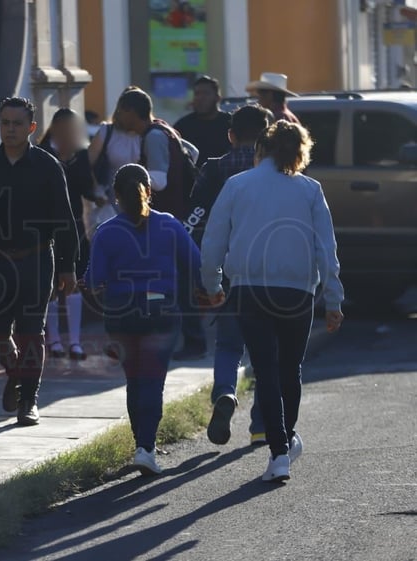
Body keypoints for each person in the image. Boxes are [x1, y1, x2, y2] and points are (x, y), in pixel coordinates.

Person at [200, 121, 345, 482]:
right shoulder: (310, 190)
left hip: (249, 288)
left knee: (264, 368)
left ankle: (279, 450)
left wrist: (212, 282)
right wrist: (333, 299)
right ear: (300, 152)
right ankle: (287, 439)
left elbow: (214, 240)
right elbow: (326, 249)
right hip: (297, 290)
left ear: (260, 149)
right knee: (290, 369)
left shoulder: (237, 185)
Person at [0, 97, 79, 426]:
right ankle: (16, 373)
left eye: (17, 123)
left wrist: (68, 266)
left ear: (31, 128)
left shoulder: (47, 165)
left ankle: (28, 400)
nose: (10, 129)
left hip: (36, 260)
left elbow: (65, 219)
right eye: (5, 123)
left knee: (32, 332)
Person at [86, 164, 201, 475]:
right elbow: (196, 263)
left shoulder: (106, 232)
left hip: (121, 313)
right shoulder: (170, 226)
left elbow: (94, 279)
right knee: (152, 380)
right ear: (149, 191)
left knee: (134, 379)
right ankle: (146, 447)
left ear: (116, 197)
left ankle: (142, 444)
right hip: (161, 310)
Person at [184, 104, 272, 446]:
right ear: (266, 135)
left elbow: (194, 220)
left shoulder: (215, 169)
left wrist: (206, 274)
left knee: (228, 345)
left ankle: (224, 393)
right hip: (267, 272)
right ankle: (262, 426)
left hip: (228, 274)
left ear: (230, 135)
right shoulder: (276, 173)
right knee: (267, 350)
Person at [122, 88, 206, 361]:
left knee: (174, 285)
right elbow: (192, 153)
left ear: (131, 112)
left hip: (167, 220)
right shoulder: (165, 129)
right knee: (178, 283)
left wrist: (132, 179)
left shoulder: (154, 137)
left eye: (121, 112)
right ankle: (184, 339)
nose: (119, 118)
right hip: (179, 219)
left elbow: (159, 180)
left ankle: (189, 341)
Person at [39, 108, 106, 361]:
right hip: (47, 226)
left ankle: (75, 342)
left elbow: (86, 185)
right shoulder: (42, 153)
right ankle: (54, 340)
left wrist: (97, 196)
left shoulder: (79, 155)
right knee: (52, 285)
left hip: (74, 225)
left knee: (75, 283)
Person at [87, 87, 145, 236]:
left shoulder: (148, 134)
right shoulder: (107, 132)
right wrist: (97, 192)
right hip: (110, 201)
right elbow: (87, 164)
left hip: (142, 201)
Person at [174, 75, 232, 166]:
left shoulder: (231, 124)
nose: (200, 98)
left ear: (217, 97)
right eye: (197, 94)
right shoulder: (183, 126)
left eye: (206, 93)